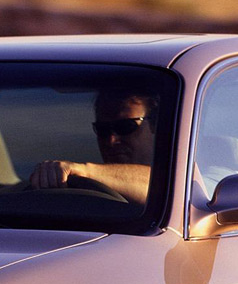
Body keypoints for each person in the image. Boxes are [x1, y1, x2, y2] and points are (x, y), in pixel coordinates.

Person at [28, 85, 158, 205]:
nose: (111, 140)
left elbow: (159, 185)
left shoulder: (168, 184)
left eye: (125, 127)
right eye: (102, 129)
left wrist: (83, 171)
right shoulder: (85, 197)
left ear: (155, 125)